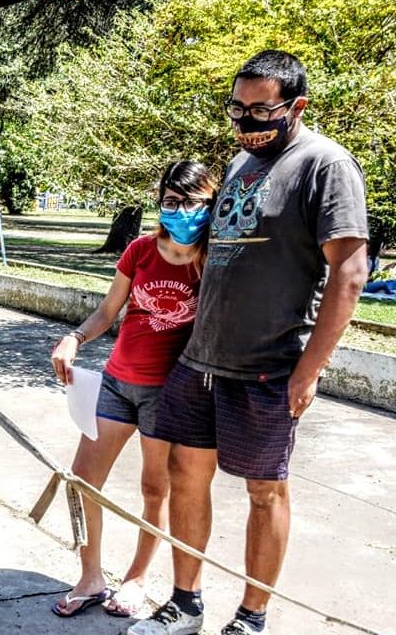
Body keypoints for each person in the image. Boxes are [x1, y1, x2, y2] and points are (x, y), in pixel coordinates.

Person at [129, 51, 368, 635]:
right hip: (201, 360)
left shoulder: (324, 165)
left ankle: (251, 616)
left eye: (261, 110)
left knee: (265, 491)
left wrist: (309, 371)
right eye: (238, 110)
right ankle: (185, 603)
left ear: (297, 107)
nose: (246, 122)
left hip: (268, 366)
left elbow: (350, 272)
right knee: (186, 474)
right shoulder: (239, 163)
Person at [49, 161, 218, 620]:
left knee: (154, 489)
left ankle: (138, 578)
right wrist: (75, 338)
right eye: (170, 202)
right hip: (118, 384)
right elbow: (107, 311)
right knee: (83, 481)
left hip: (170, 395)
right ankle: (90, 577)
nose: (180, 212)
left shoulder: (214, 261)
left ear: (211, 204)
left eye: (191, 203)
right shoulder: (141, 251)